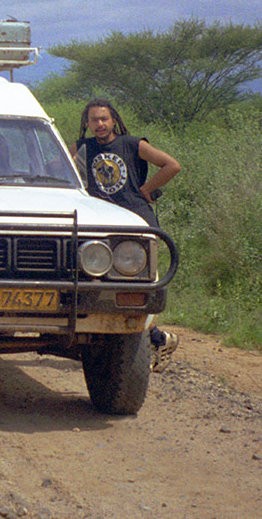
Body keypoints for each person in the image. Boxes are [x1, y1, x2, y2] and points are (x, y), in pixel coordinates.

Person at [69, 98, 182, 372]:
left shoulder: (132, 144)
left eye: (103, 119)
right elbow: (53, 160)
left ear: (113, 120)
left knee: (137, 288)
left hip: (136, 220)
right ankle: (157, 339)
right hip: (101, 222)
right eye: (94, 120)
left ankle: (154, 338)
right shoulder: (83, 147)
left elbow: (171, 165)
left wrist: (146, 190)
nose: (99, 124)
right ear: (87, 123)